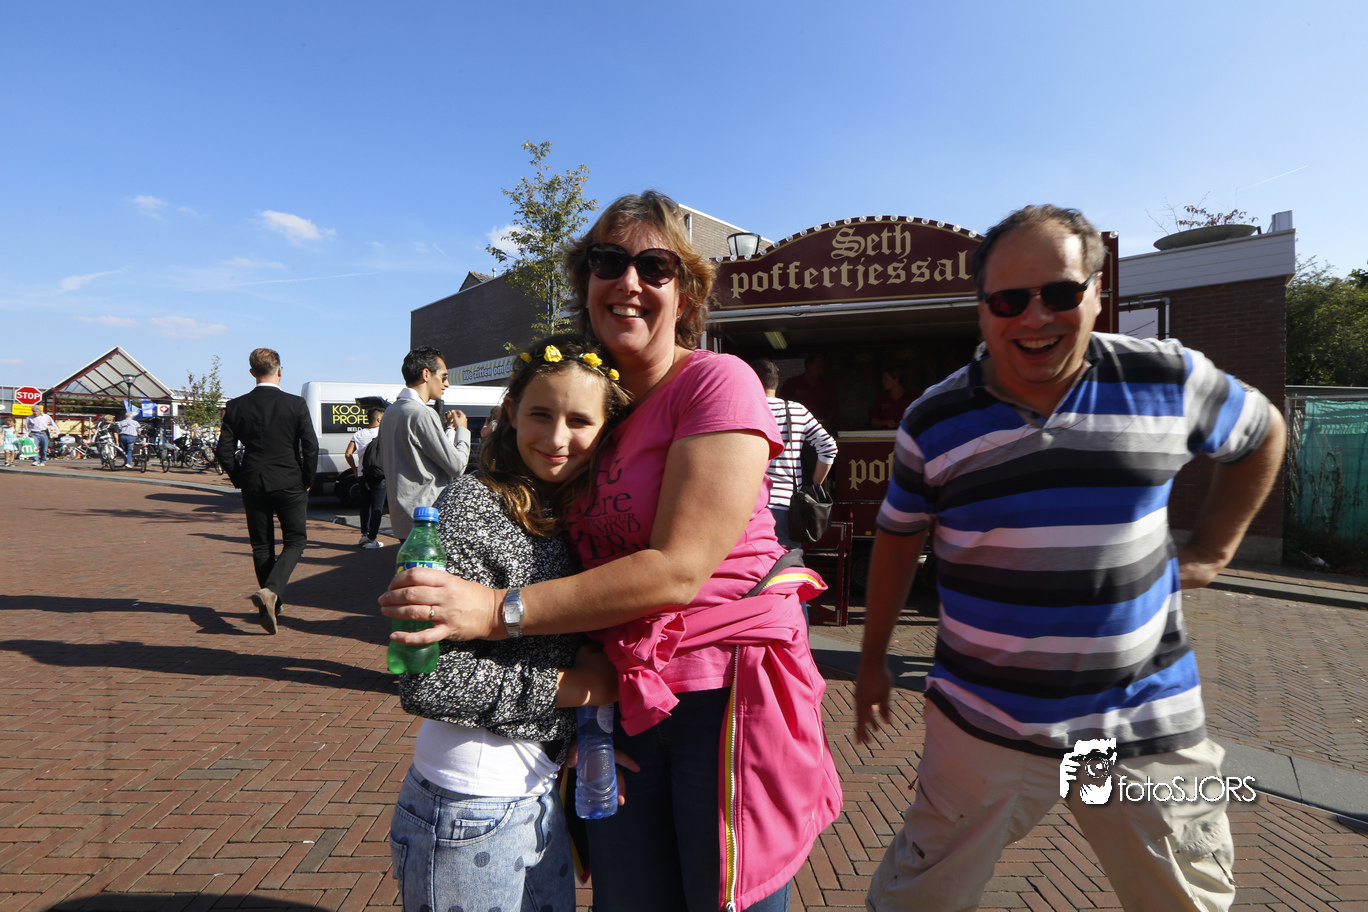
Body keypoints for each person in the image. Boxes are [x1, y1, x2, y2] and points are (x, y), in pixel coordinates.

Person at [381, 190, 842, 912]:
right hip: (622, 690)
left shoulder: (715, 382)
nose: (630, 280)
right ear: (586, 280)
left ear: (686, 293)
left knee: (723, 898)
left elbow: (679, 569)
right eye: (608, 261)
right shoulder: (599, 407)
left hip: (717, 687)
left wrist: (497, 611)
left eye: (656, 267)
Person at [854, 204, 1287, 912]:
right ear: (981, 307)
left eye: (1059, 292)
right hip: (982, 724)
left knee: (1183, 903)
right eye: (1008, 300)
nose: (1035, 317)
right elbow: (899, 538)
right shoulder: (933, 420)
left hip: (1141, 723)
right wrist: (872, 659)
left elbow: (1262, 431)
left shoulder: (1167, 378)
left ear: (1095, 292)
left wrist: (1215, 549)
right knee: (915, 902)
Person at [388, 333, 629, 912]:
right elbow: (427, 681)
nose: (556, 438)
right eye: (541, 415)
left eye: (579, 420)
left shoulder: (570, 506)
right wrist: (578, 687)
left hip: (538, 791)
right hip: (469, 803)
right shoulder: (473, 503)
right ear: (512, 412)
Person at [216, 347, 319, 634]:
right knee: (296, 540)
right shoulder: (295, 404)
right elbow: (310, 446)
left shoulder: (236, 406)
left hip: (254, 481)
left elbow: (224, 450)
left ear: (252, 372)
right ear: (280, 371)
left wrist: (240, 478)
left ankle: (272, 601)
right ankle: (272, 591)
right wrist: (308, 478)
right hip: (289, 479)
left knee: (261, 545)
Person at [375, 347, 470, 540]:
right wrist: (462, 430)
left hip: (402, 517)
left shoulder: (391, 412)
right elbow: (457, 466)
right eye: (443, 377)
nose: (446, 384)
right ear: (426, 374)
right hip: (427, 518)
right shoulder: (421, 413)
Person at [751, 358, 838, 550]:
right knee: (786, 563)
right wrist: (814, 484)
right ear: (776, 383)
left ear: (752, 381)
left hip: (749, 508)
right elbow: (828, 446)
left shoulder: (742, 409)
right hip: (787, 508)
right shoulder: (797, 410)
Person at [344, 408, 386, 548]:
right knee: (377, 507)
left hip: (363, 474)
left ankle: (364, 535)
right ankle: (373, 539)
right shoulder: (384, 433)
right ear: (379, 419)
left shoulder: (358, 434)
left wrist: (355, 469)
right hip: (379, 475)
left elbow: (348, 454)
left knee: (365, 505)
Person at [779, 353, 837, 427]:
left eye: (822, 368)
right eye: (818, 367)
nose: (821, 370)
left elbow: (833, 406)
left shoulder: (826, 385)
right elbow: (782, 404)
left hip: (820, 425)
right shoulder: (792, 383)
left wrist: (828, 421)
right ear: (808, 366)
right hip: (796, 425)